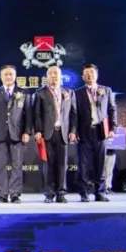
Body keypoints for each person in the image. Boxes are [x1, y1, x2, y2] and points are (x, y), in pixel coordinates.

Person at [0, 65, 31, 203]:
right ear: (1, 77)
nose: (8, 77)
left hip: (17, 134)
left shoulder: (24, 93)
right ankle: (2, 194)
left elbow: (28, 115)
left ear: (15, 76)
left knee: (17, 165)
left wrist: (27, 131)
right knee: (0, 166)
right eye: (5, 74)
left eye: (11, 74)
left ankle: (15, 194)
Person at [72, 64, 116, 203]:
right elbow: (74, 114)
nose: (89, 75)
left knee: (100, 163)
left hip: (100, 131)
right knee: (83, 164)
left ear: (96, 74)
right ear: (82, 76)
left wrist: (113, 128)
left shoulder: (106, 90)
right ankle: (84, 193)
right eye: (86, 73)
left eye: (91, 72)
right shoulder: (77, 93)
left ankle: (100, 192)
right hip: (84, 132)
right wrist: (74, 131)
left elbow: (112, 110)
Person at [33, 66, 76, 204]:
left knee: (62, 164)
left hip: (63, 133)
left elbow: (73, 114)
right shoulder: (40, 93)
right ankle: (49, 193)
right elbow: (37, 114)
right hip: (47, 133)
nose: (53, 76)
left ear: (60, 75)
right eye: (50, 73)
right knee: (48, 164)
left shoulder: (69, 92)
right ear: (47, 76)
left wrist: (73, 131)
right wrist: (38, 130)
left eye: (56, 73)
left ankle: (61, 193)